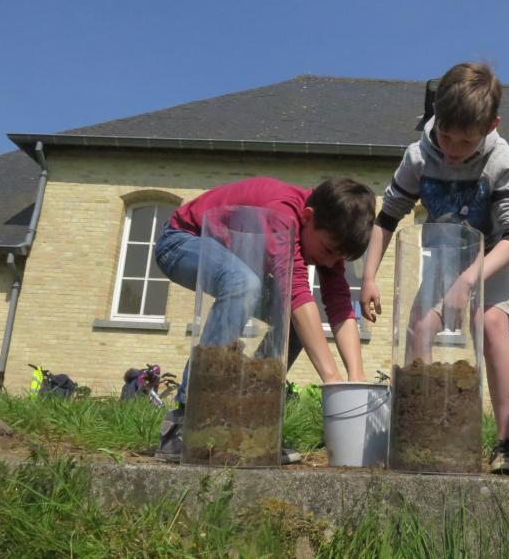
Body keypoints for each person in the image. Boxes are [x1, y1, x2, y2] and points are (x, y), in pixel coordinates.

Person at [360, 62, 509, 475]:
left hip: (496, 255)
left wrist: (469, 281)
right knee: (421, 326)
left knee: (490, 324)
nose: (454, 148)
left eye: (467, 140)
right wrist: (368, 278)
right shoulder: (418, 156)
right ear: (435, 118)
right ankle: (419, 428)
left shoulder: (502, 160)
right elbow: (387, 218)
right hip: (446, 253)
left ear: (492, 125)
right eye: (446, 135)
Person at [155, 176, 376, 462]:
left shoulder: (329, 225)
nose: (331, 263)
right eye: (328, 251)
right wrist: (332, 380)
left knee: (293, 322)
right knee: (244, 284)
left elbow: (339, 304)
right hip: (180, 241)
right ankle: (187, 420)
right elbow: (296, 292)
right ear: (309, 218)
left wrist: (355, 380)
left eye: (339, 258)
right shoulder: (282, 213)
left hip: (234, 264)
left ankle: (251, 423)